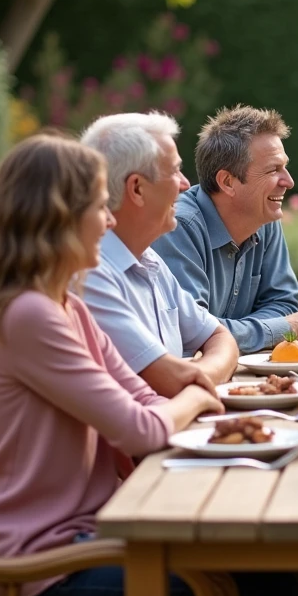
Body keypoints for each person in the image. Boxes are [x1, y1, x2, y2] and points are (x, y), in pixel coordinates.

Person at [0, 134, 220, 596]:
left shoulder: (67, 305)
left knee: (261, 570)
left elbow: (145, 400)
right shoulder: (30, 316)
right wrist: (197, 394)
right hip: (31, 566)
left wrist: (190, 399)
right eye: (98, 207)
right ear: (59, 220)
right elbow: (139, 430)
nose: (110, 220)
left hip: (82, 537)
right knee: (236, 578)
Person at [80, 112, 239, 398]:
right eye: (175, 171)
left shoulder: (148, 259)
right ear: (137, 188)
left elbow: (221, 337)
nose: (184, 183)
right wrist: (201, 379)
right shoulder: (90, 274)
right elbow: (166, 381)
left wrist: (199, 377)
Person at [154, 105, 298, 353]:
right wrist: (280, 330)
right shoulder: (178, 227)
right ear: (227, 182)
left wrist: (233, 334)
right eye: (273, 170)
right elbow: (190, 334)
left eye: (284, 167)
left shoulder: (263, 218)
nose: (289, 181)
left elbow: (283, 302)